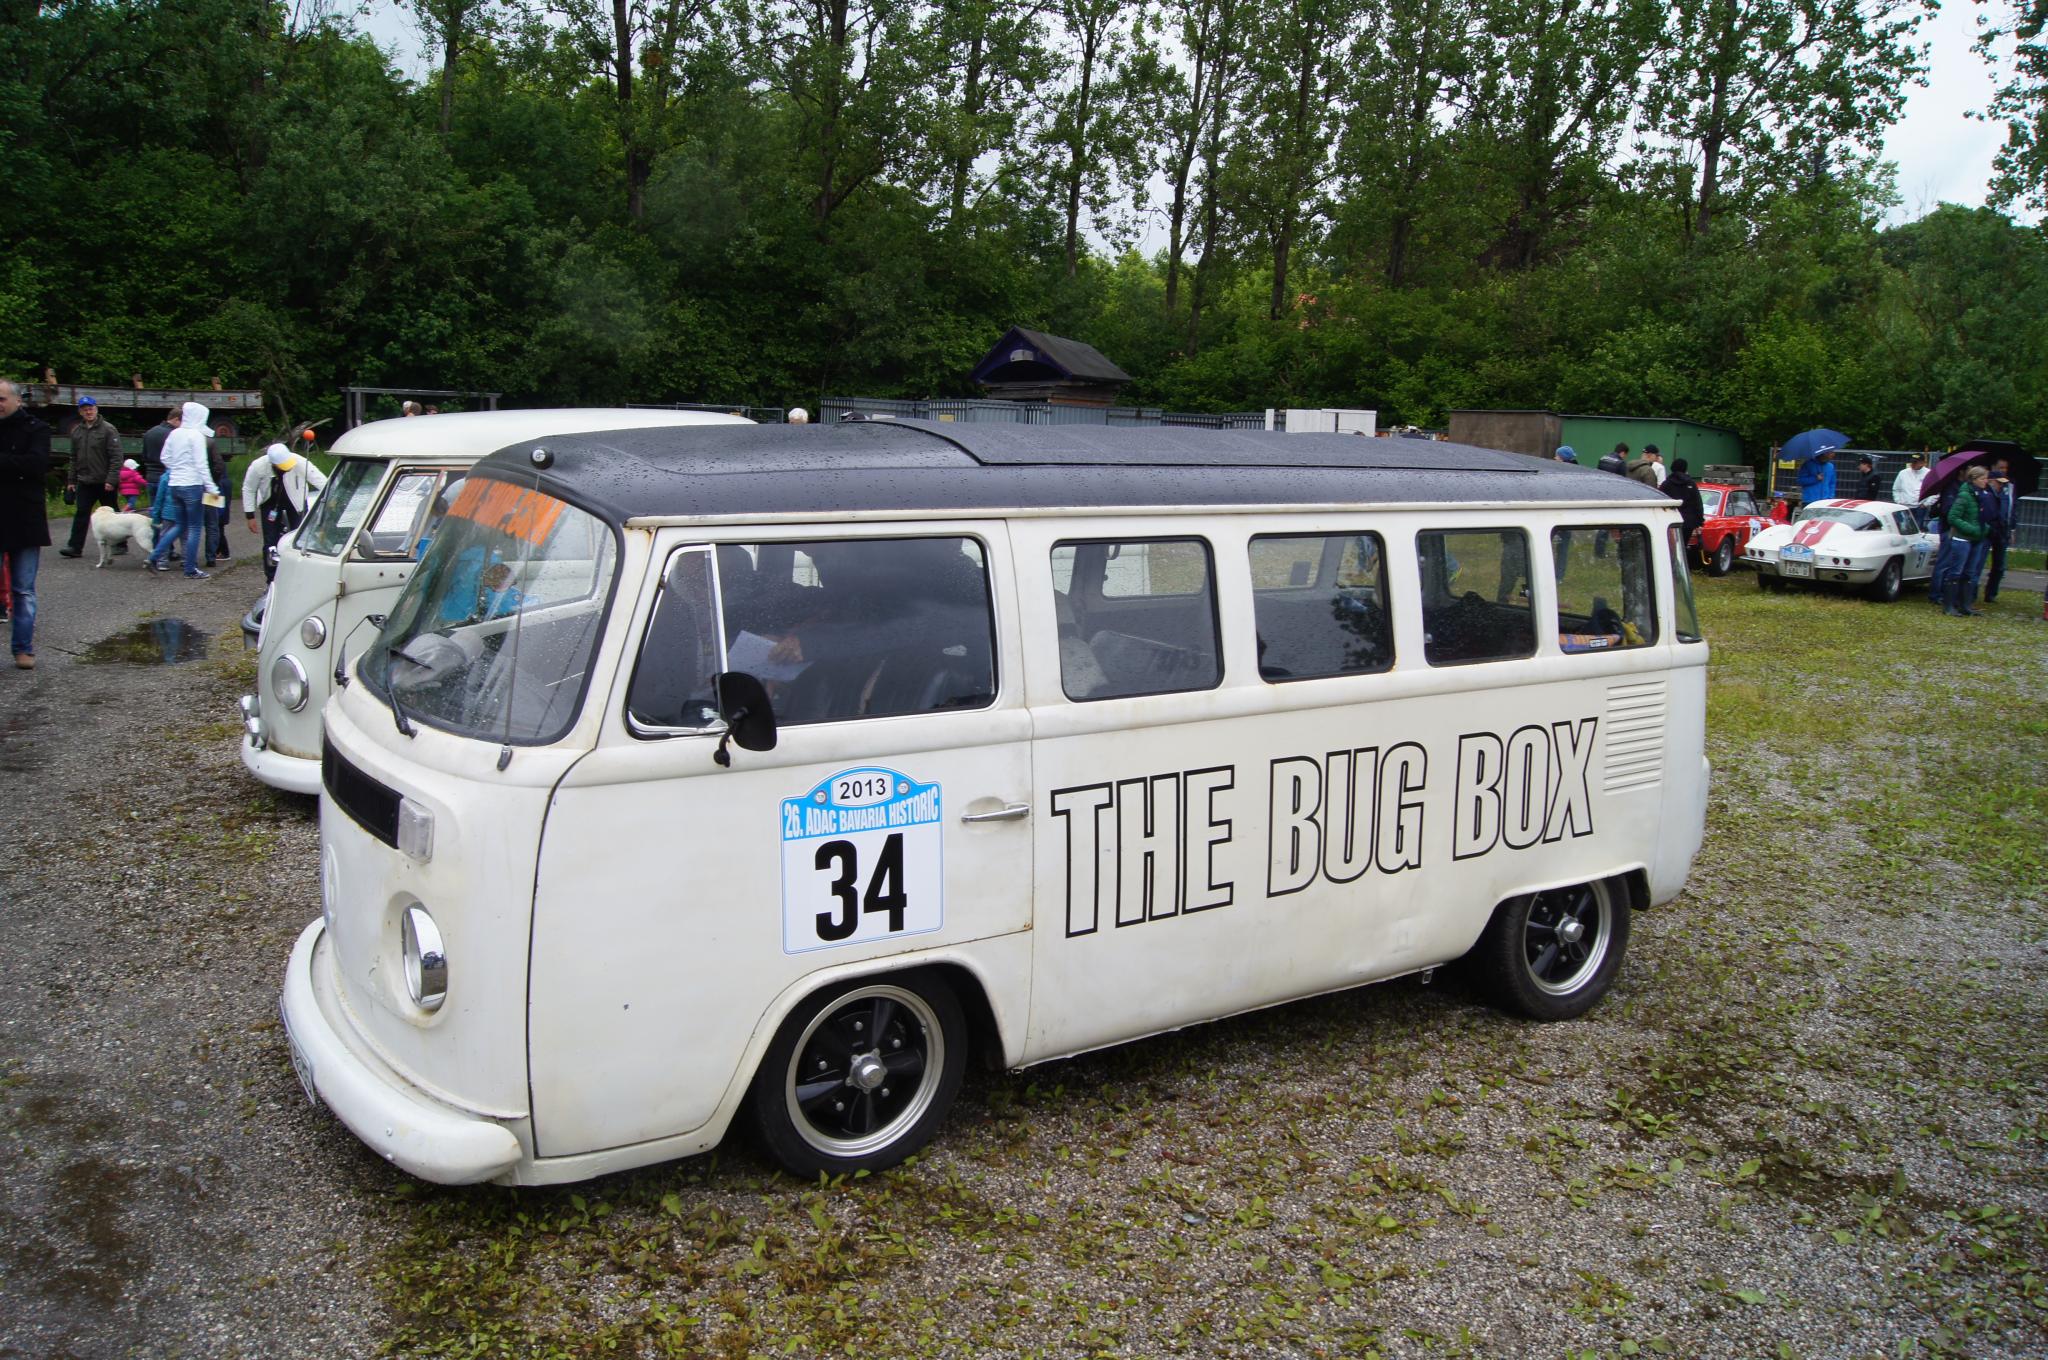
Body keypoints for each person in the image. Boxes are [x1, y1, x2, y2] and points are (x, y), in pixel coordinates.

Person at [0, 379, 52, 668]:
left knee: (23, 589)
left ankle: (23, 648)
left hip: (25, 519)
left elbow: (36, 464)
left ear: (17, 400)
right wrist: (14, 464)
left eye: (1, 399)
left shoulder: (36, 429)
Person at [145, 401, 221, 579]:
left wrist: (177, 470)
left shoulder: (175, 433)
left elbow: (164, 457)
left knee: (179, 525)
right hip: (192, 486)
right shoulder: (196, 436)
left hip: (175, 485)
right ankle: (190, 569)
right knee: (194, 528)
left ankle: (154, 557)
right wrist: (212, 488)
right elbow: (201, 465)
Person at [243, 442, 330, 583]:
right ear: (273, 464)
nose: (288, 467)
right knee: (270, 542)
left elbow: (320, 480)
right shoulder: (258, 466)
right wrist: (250, 515)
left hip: (296, 503)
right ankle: (271, 579)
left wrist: (332, 497)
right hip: (270, 504)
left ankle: (300, 575)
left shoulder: (299, 462)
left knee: (300, 539)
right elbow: (248, 488)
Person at [58, 396, 123, 558]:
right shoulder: (77, 432)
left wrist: (111, 479)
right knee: (81, 513)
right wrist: (71, 480)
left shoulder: (108, 429)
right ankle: (74, 547)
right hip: (85, 481)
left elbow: (116, 457)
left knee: (113, 513)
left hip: (104, 481)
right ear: (80, 412)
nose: (88, 412)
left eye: (91, 408)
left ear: (96, 409)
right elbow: (73, 457)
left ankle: (121, 544)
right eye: (85, 409)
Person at [1933, 466, 1991, 616]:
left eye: (1986, 478)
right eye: (1983, 478)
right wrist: (1971, 529)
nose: (1986, 481)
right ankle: (1949, 606)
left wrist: (1985, 528)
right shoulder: (1964, 496)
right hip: (1962, 539)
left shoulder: (1982, 495)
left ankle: (1965, 605)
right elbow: (1953, 517)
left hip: (1976, 539)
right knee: (1955, 571)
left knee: (1969, 573)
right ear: (1974, 479)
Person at [1983, 458, 2017, 602]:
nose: (2004, 470)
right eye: (2001, 468)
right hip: (1988, 529)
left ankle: (1991, 593)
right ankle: (1970, 594)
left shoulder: (2009, 486)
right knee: (1979, 562)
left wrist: (2012, 528)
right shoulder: (1985, 487)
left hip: (2003, 530)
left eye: (2005, 468)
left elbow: (2012, 508)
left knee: (2000, 565)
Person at [1663, 458, 1704, 559]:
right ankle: (1681, 564)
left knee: (1669, 546)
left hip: (1670, 520)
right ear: (1685, 469)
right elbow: (1697, 503)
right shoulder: (1691, 484)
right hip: (1688, 522)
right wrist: (1699, 522)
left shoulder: (1666, 484)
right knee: (1683, 545)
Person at [1892, 452, 1928, 517]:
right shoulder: (1903, 473)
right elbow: (1896, 489)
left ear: (1922, 463)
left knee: (1918, 523)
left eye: (1915, 462)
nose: (1912, 464)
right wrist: (1898, 501)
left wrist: (1926, 504)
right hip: (1904, 506)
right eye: (1912, 462)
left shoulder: (1929, 473)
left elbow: (1935, 491)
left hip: (1920, 507)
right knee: (1903, 523)